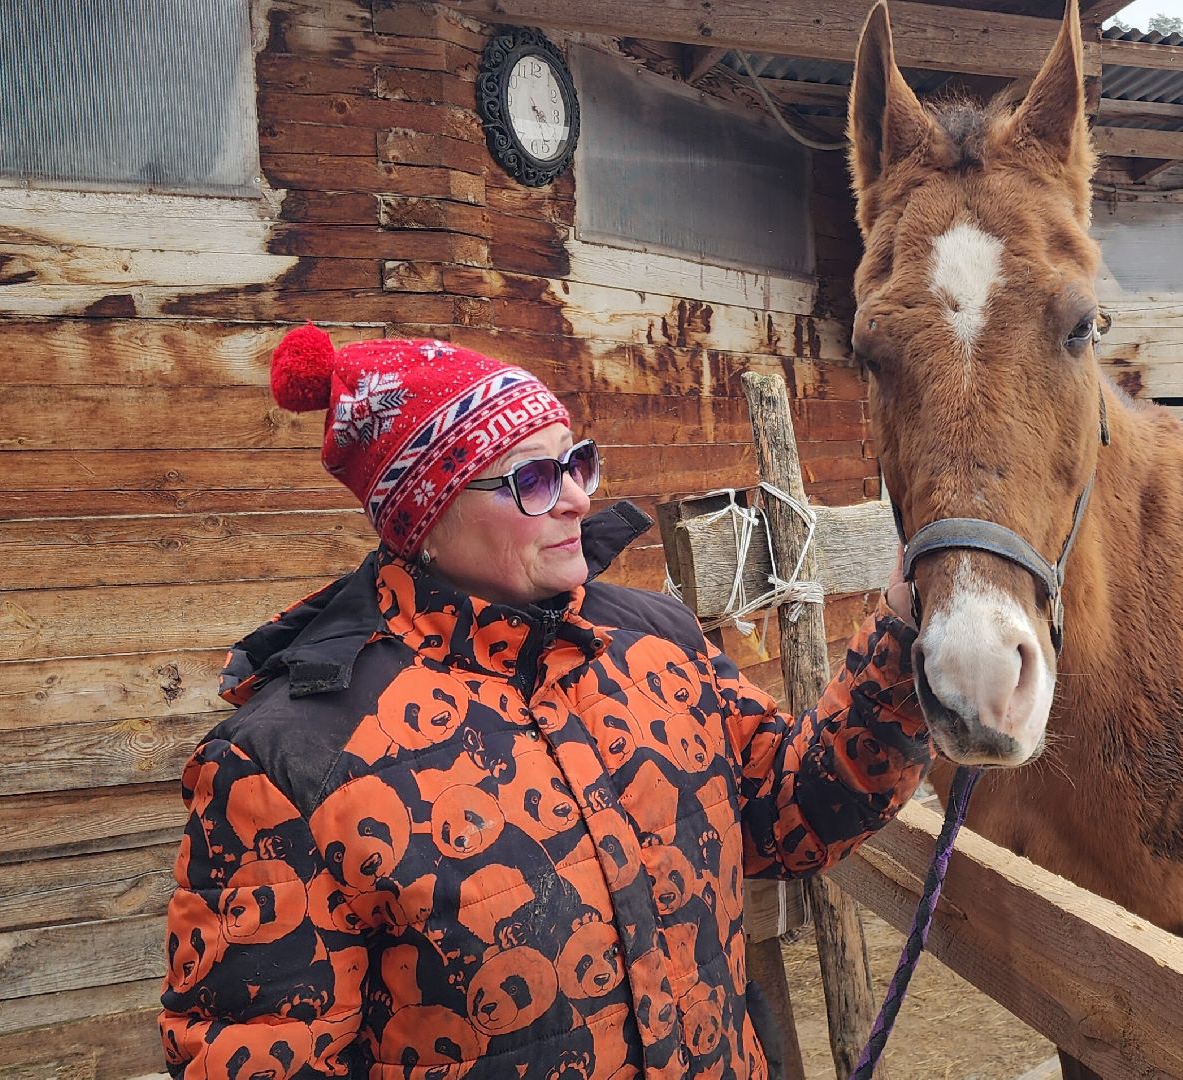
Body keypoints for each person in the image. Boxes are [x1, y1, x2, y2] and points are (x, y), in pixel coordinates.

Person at [160, 325, 928, 1079]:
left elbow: (790, 815)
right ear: (425, 518)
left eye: (575, 463)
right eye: (531, 479)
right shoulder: (287, 762)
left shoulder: (656, 640)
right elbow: (256, 1053)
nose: (576, 500)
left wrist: (904, 628)